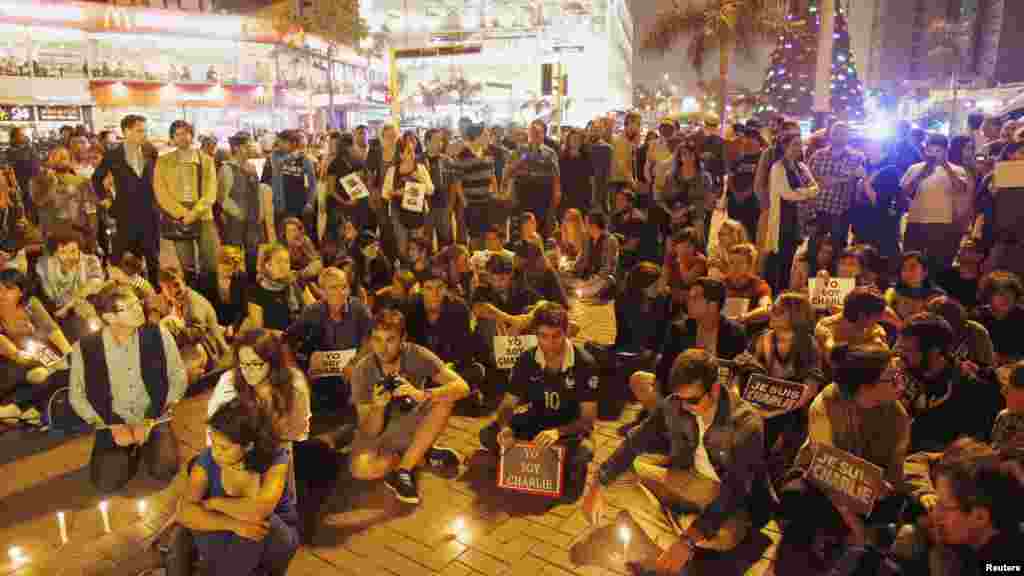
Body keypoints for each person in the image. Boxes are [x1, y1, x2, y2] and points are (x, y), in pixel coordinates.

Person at [583, 349, 765, 573]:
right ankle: (677, 538)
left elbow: (735, 492)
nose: (685, 406)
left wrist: (688, 539)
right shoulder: (675, 404)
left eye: (693, 400)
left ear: (715, 390)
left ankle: (672, 529)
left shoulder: (746, 423)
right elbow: (635, 441)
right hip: (687, 480)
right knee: (613, 482)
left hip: (723, 496)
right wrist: (597, 484)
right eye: (680, 399)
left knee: (722, 537)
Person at [69, 283, 186, 492]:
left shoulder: (157, 334)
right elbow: (77, 397)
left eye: (137, 303)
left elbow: (178, 378)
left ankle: (146, 443)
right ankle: (129, 450)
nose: (139, 309)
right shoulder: (86, 347)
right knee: (106, 482)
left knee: (165, 469)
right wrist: (112, 425)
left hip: (154, 415)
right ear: (109, 318)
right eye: (129, 307)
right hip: (112, 421)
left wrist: (150, 420)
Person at [348, 309, 469, 504]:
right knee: (361, 469)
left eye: (390, 340)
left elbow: (462, 387)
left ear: (403, 339)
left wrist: (422, 394)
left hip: (413, 419)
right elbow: (368, 431)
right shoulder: (363, 370)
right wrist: (378, 407)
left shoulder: (416, 353)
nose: (382, 348)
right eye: (377, 340)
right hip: (383, 435)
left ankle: (404, 469)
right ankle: (421, 453)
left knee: (445, 399)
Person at [479, 303, 599, 490]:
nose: (549, 343)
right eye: (543, 336)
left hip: (569, 428)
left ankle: (549, 463)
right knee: (488, 434)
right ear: (535, 334)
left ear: (566, 332)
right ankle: (536, 460)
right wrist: (505, 428)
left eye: (556, 336)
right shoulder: (527, 359)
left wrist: (558, 432)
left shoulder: (585, 363)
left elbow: (587, 420)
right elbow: (508, 404)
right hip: (536, 419)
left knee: (584, 452)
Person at [177, 399, 299, 576]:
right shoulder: (207, 459)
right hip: (231, 535)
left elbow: (259, 511)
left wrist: (214, 503)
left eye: (224, 448)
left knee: (256, 524)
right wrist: (232, 524)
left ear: (248, 446)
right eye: (213, 443)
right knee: (207, 523)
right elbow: (183, 511)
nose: (215, 452)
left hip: (275, 537)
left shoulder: (276, 458)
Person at [631, 277, 748, 413]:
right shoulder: (679, 328)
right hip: (680, 391)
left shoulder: (734, 333)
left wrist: (731, 397)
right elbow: (664, 367)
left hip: (713, 395)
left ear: (713, 304)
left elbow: (738, 373)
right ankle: (667, 420)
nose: (688, 301)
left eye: (695, 298)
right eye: (689, 296)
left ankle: (670, 421)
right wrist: (656, 394)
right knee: (638, 379)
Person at [896, 313, 1003, 454]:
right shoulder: (900, 377)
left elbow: (970, 450)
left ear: (935, 351)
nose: (900, 356)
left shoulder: (973, 388)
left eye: (908, 351)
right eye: (900, 349)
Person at [284, 267, 371, 412]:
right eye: (333, 288)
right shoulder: (312, 311)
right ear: (322, 292)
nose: (341, 292)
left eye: (344, 287)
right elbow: (287, 340)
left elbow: (371, 339)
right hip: (321, 375)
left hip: (351, 371)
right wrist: (297, 370)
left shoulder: (358, 308)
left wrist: (356, 363)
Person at [0, 269, 72, 422]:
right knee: (40, 374)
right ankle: (17, 407)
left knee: (59, 372)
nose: (3, 294)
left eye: (9, 289)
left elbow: (51, 329)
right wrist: (20, 355)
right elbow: (5, 345)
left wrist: (69, 353)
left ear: (21, 292)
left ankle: (28, 408)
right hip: (10, 360)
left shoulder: (30, 304)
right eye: (0, 289)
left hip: (37, 353)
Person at [154, 120, 220, 279]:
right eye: (177, 134)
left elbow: (211, 191)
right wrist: (182, 213)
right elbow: (160, 192)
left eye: (186, 133)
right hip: (178, 218)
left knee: (211, 263)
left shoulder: (206, 159)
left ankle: (210, 297)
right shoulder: (163, 161)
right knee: (186, 265)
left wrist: (195, 212)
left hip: (204, 216)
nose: (182, 137)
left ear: (192, 135)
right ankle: (192, 296)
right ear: (172, 138)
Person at [901, 133, 972, 270]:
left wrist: (946, 167)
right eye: (930, 150)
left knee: (939, 264)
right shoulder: (915, 168)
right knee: (912, 262)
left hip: (943, 223)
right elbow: (904, 193)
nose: (933, 155)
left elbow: (961, 189)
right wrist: (921, 175)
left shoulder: (957, 169)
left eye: (938, 151)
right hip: (916, 222)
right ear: (925, 150)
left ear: (946, 151)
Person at [765, 132, 820, 291]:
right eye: (794, 144)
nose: (798, 148)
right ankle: (776, 295)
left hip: (799, 220)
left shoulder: (802, 166)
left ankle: (785, 293)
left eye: (799, 144)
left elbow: (816, 188)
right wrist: (806, 192)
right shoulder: (777, 167)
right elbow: (786, 194)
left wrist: (800, 193)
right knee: (780, 261)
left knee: (790, 260)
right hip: (783, 220)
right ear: (784, 146)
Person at [808, 122, 867, 256]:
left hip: (841, 212)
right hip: (818, 210)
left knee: (837, 251)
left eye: (843, 133)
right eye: (836, 133)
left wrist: (835, 179)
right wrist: (822, 180)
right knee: (813, 250)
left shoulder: (857, 157)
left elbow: (861, 180)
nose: (839, 136)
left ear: (848, 136)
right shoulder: (818, 155)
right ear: (830, 135)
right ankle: (812, 276)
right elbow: (808, 179)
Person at [35, 228, 105, 340]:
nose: (69, 256)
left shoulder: (90, 260)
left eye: (73, 251)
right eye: (63, 252)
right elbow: (53, 297)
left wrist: (70, 304)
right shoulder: (46, 268)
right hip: (63, 317)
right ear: (55, 254)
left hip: (92, 310)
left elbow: (96, 283)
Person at [383, 131, 434, 261]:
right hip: (398, 212)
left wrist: (419, 180)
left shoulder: (420, 168)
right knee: (402, 245)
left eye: (413, 151)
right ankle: (404, 271)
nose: (411, 154)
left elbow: (430, 190)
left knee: (417, 245)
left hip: (417, 212)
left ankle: (416, 270)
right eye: (407, 151)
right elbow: (385, 193)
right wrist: (396, 192)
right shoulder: (392, 170)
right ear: (400, 154)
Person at [219, 132, 270, 261]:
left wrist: (261, 212)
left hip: (253, 219)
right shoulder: (227, 168)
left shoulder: (251, 166)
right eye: (247, 146)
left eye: (250, 146)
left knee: (253, 254)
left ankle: (251, 279)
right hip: (235, 221)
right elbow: (222, 197)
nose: (250, 149)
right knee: (234, 257)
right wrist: (237, 212)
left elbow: (257, 192)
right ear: (236, 148)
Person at [507, 119, 561, 236]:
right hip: (524, 192)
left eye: (538, 133)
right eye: (532, 132)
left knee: (541, 224)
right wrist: (522, 159)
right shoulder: (520, 150)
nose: (534, 135)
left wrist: (557, 192)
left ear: (543, 135)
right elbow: (510, 171)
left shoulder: (550, 153)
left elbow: (556, 174)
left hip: (543, 193)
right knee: (524, 223)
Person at [450, 123, 498, 248]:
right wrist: (465, 202)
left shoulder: (488, 153)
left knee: (488, 235)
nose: (489, 138)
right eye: (486, 135)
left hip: (488, 201)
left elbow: (492, 176)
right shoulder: (462, 155)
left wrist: (495, 194)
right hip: (472, 204)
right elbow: (457, 182)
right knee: (475, 237)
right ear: (477, 136)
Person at [246, 244, 303, 333]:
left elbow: (312, 312)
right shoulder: (255, 291)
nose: (284, 266)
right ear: (267, 265)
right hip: (274, 341)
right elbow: (257, 330)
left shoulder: (295, 284)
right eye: (279, 262)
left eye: (287, 262)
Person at [423, 128, 455, 247]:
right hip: (426, 207)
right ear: (427, 142)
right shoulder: (418, 160)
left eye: (440, 140)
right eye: (436, 140)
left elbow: (453, 184)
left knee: (446, 240)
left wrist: (450, 206)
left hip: (443, 205)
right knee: (426, 241)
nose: (439, 143)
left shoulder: (447, 161)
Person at [559, 128, 593, 217]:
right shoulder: (562, 157)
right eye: (573, 139)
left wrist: (590, 197)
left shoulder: (587, 157)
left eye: (577, 139)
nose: (575, 141)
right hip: (567, 196)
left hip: (583, 197)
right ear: (568, 141)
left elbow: (591, 178)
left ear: (581, 141)